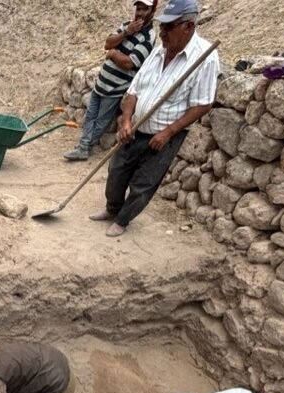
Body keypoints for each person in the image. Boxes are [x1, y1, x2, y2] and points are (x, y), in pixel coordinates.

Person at [94, 0, 220, 237]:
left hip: (165, 135)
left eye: (168, 27)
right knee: (116, 171)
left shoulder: (205, 58)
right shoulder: (158, 51)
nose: (161, 32)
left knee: (143, 184)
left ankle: (122, 220)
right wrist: (127, 120)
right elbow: (134, 90)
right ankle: (112, 209)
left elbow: (203, 104)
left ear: (189, 26)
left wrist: (168, 132)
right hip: (135, 128)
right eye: (162, 27)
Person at [64, 0, 157, 161]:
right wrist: (126, 32)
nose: (140, 13)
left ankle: (84, 147)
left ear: (153, 11)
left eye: (145, 9)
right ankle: (83, 146)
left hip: (115, 88)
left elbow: (129, 62)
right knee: (91, 115)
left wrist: (114, 54)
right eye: (138, 8)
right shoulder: (127, 25)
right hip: (101, 82)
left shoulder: (149, 37)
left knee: (101, 121)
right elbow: (108, 43)